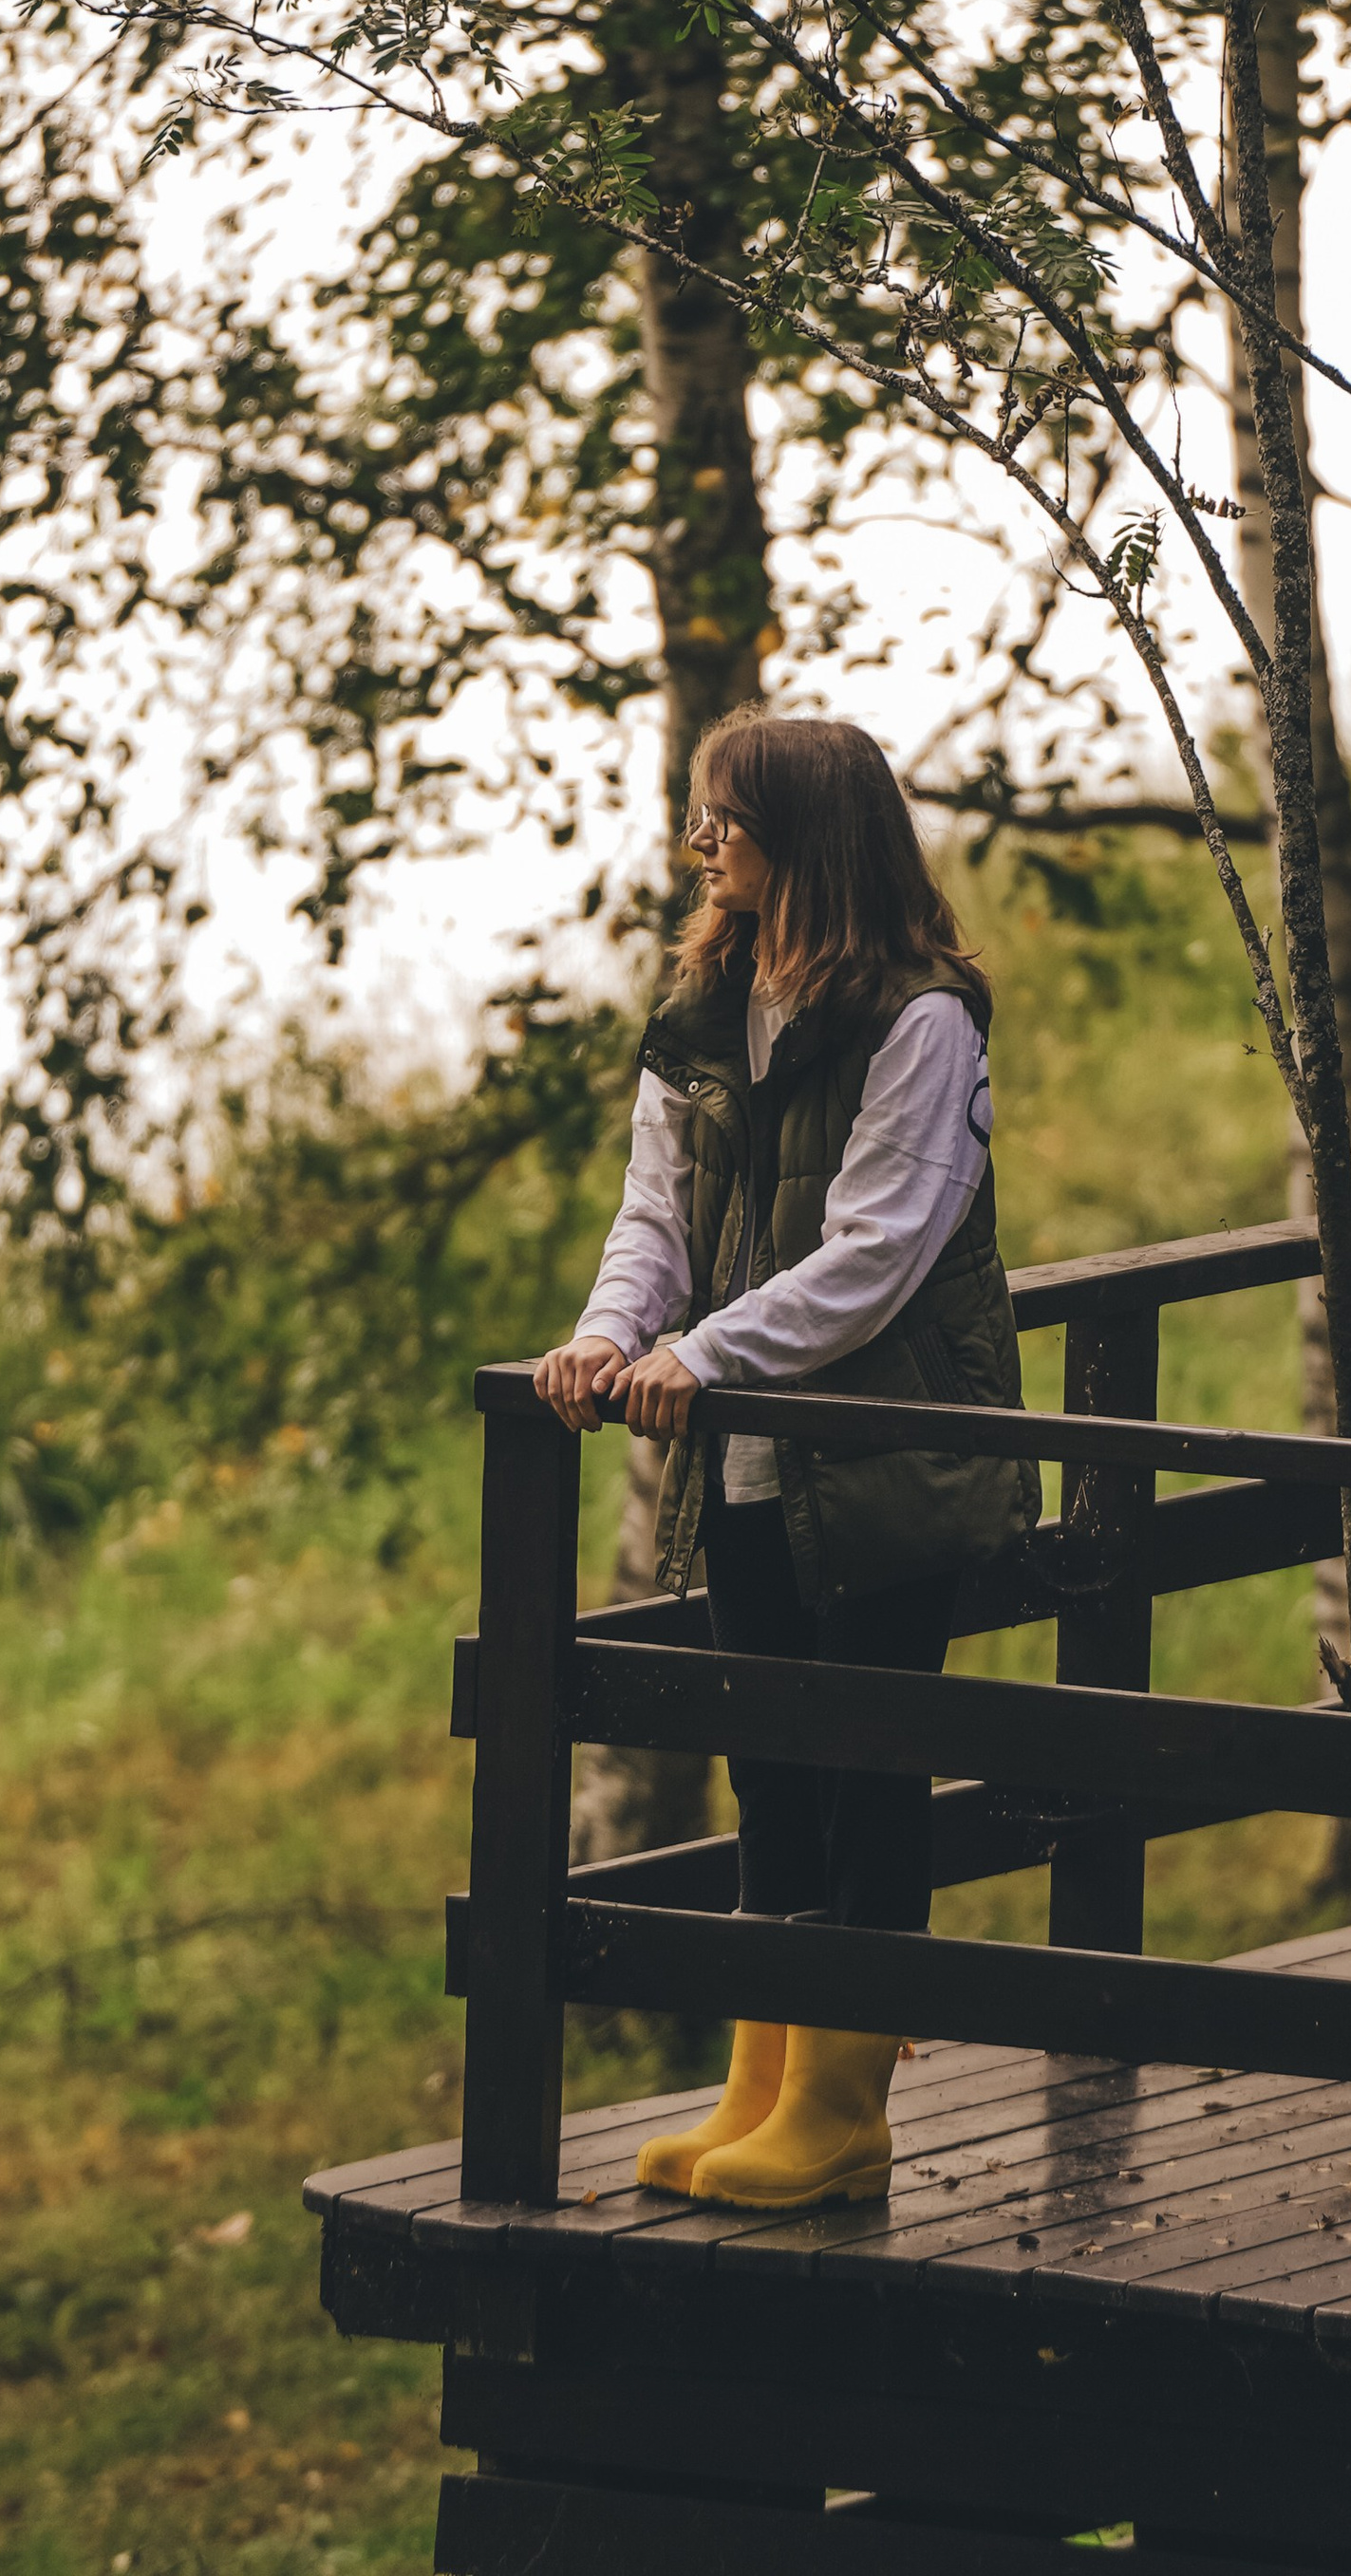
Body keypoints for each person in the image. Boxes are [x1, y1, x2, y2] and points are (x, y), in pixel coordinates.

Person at [534, 709, 1038, 2212]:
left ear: (807, 835)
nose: (703, 842)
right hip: (750, 1460)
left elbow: (878, 1255)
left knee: (867, 1777)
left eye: (727, 818)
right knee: (772, 1775)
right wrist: (609, 1337)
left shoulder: (921, 1019)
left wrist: (702, 1356)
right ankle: (764, 2090)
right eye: (702, 817)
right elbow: (657, 1216)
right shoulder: (703, 1002)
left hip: (886, 1455)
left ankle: (842, 2112)